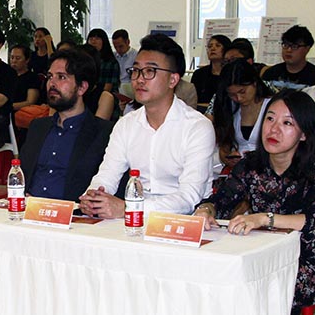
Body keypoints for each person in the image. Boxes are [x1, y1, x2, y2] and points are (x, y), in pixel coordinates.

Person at [193, 90, 315, 315]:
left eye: (287, 123)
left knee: (271, 288)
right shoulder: (251, 165)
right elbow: (221, 200)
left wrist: (263, 218)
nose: (274, 129)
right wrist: (206, 210)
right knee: (221, 280)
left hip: (306, 259)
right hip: (262, 254)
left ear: (304, 133)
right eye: (270, 118)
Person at [79, 34, 215, 218]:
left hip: (185, 219)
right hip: (133, 218)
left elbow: (188, 197)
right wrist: (94, 196)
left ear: (173, 80)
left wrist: (129, 208)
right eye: (136, 70)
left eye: (150, 71)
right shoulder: (126, 124)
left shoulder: (197, 127)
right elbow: (107, 175)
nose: (139, 79)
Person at [20, 49, 112, 202]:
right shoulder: (38, 127)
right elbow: (22, 175)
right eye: (50, 76)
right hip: (30, 209)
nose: (52, 83)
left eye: (61, 77)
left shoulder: (103, 133)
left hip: (74, 212)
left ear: (82, 87)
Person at [211, 59, 274, 168]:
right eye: (232, 94)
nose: (239, 98)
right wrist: (227, 157)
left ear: (254, 83)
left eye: (242, 92)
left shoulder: (273, 106)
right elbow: (224, 146)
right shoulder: (229, 107)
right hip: (240, 169)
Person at [262, 25, 315, 90]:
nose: (288, 50)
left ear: (307, 49)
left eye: (294, 46)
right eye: (285, 45)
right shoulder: (271, 73)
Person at [191, 34, 232, 110]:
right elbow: (193, 100)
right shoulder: (199, 74)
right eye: (210, 46)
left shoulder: (231, 73)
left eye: (218, 46)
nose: (212, 49)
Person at [86, 28, 120, 94]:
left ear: (104, 42)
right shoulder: (84, 61)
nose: (93, 42)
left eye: (97, 38)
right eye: (91, 39)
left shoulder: (111, 63)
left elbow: (107, 89)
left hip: (106, 96)